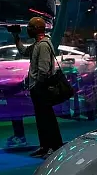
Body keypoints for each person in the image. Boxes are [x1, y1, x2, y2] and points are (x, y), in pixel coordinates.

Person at [13, 17, 64, 157]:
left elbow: (43, 70)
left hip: (41, 88)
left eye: (30, 27)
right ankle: (45, 146)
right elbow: (24, 51)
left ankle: (54, 147)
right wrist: (16, 37)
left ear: (36, 29)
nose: (28, 30)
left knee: (47, 119)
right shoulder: (38, 44)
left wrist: (38, 86)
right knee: (42, 119)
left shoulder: (43, 45)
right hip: (39, 88)